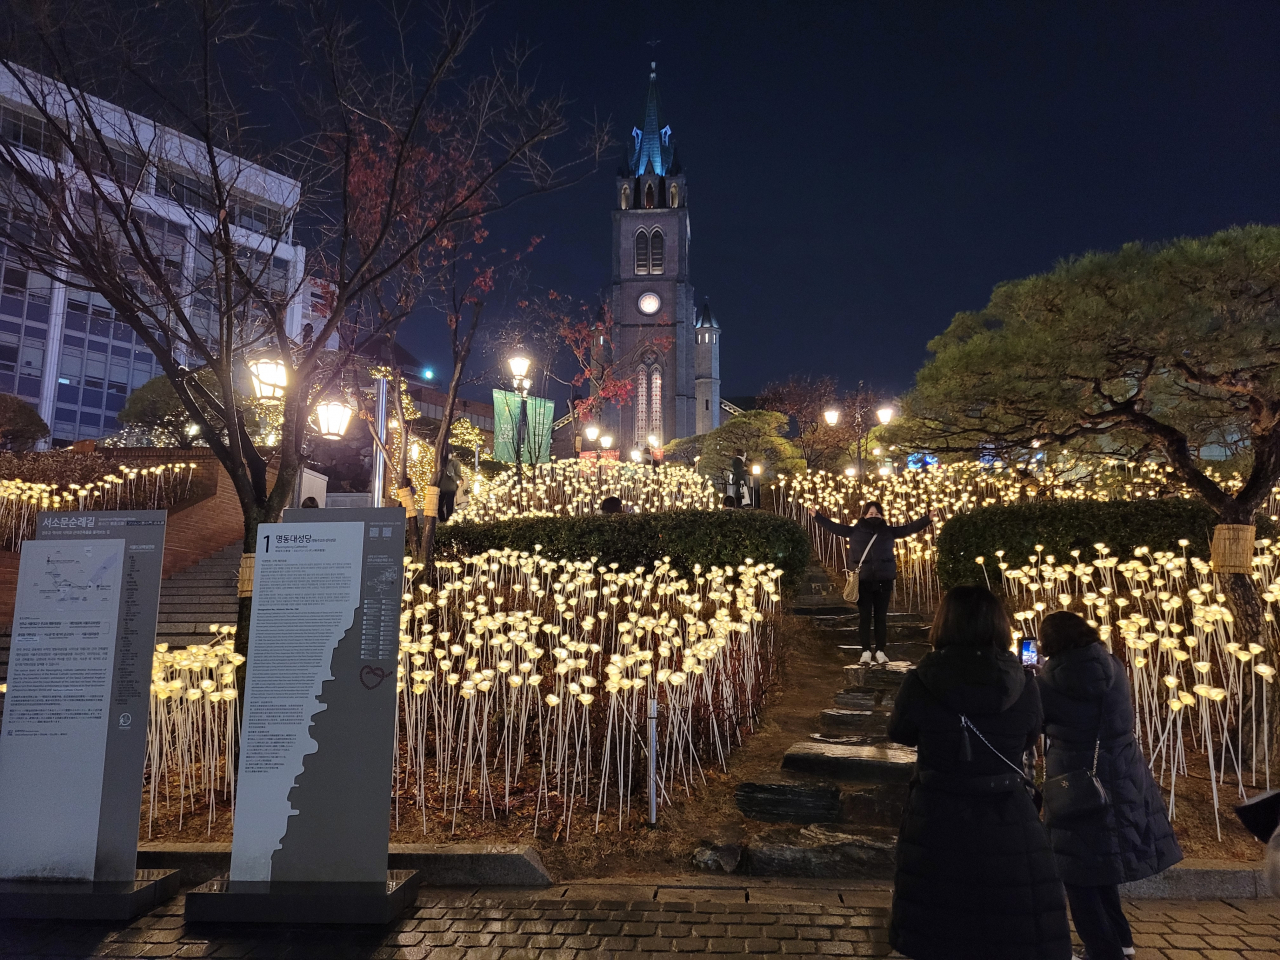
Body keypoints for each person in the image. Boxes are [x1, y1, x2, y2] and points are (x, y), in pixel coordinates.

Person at [888, 585, 1071, 960]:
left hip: (938, 810)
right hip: (1006, 812)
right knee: (1006, 917)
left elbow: (900, 732)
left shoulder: (922, 679)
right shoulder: (1023, 682)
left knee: (938, 917)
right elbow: (1029, 736)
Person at [1037, 611, 1182, 960]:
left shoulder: (1050, 680)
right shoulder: (1113, 665)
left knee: (1076, 869)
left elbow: (1036, 721)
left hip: (1076, 779)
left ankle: (1104, 951)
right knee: (1101, 862)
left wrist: (1029, 677)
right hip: (1122, 771)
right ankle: (1121, 940)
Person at [808, 501, 934, 663]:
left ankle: (880, 650)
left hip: (884, 581)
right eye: (870, 514)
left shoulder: (888, 532)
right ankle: (866, 650)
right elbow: (834, 527)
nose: (874, 516)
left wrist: (928, 519)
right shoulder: (855, 532)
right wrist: (817, 516)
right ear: (864, 515)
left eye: (877, 514)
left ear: (882, 515)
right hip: (863, 581)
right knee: (865, 617)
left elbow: (909, 528)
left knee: (881, 617)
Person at [438, 449, 464, 521]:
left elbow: (458, 477)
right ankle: (443, 521)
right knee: (439, 506)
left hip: (451, 488)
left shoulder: (455, 463)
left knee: (449, 506)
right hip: (441, 488)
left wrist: (452, 474)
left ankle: (448, 522)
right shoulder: (440, 462)